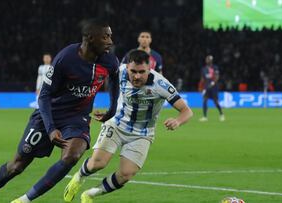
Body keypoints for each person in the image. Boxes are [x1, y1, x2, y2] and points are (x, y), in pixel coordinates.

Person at [0, 18, 120, 203]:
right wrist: (51, 128)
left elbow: (114, 78)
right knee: (17, 166)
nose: (110, 41)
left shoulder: (109, 61)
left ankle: (24, 200)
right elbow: (43, 96)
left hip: (77, 119)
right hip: (49, 116)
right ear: (91, 38)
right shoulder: (66, 58)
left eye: (110, 36)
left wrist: (113, 107)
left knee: (72, 155)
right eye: (105, 37)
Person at [63, 50, 193, 203]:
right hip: (117, 124)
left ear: (150, 69)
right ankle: (78, 178)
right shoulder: (119, 71)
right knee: (98, 163)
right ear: (127, 68)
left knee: (126, 174)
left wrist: (177, 121)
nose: (137, 76)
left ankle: (90, 194)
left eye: (141, 72)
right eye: (133, 71)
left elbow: (186, 111)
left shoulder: (161, 84)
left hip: (143, 133)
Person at [199, 55, 225, 122]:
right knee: (205, 100)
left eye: (209, 59)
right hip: (206, 87)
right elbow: (202, 79)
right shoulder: (203, 69)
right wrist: (201, 87)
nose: (207, 60)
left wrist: (213, 83)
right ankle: (205, 117)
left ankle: (221, 114)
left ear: (211, 60)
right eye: (207, 59)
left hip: (214, 87)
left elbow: (217, 76)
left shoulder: (215, 67)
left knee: (216, 102)